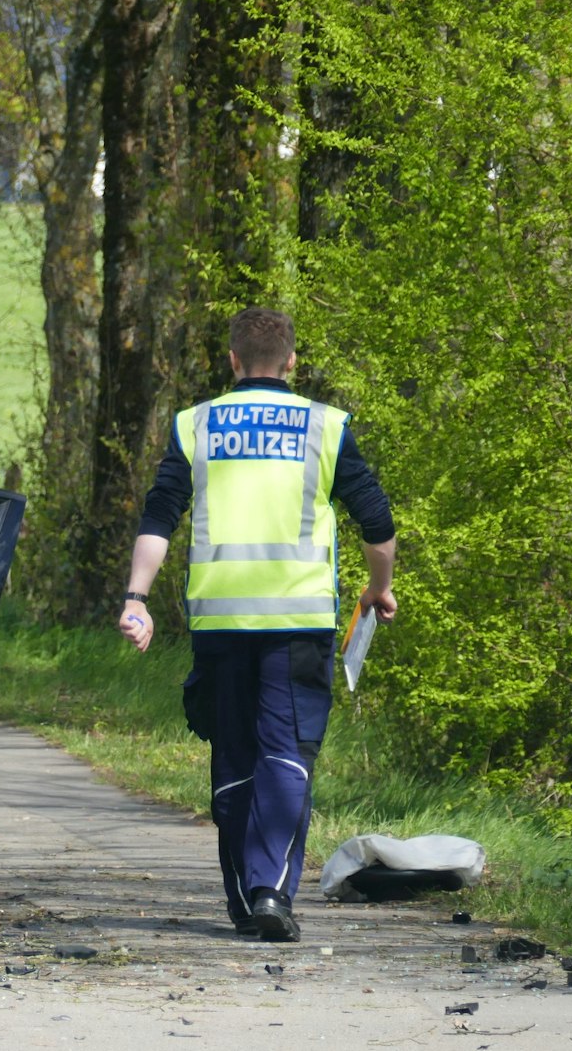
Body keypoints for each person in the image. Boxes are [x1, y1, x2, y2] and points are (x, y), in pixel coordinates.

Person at [118, 307, 396, 943]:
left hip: (220, 621)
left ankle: (246, 898)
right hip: (299, 621)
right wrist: (378, 590)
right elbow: (376, 525)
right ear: (292, 363)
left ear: (234, 363)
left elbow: (159, 516)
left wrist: (137, 597)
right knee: (287, 754)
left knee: (235, 754)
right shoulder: (326, 427)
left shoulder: (197, 425)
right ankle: (272, 890)